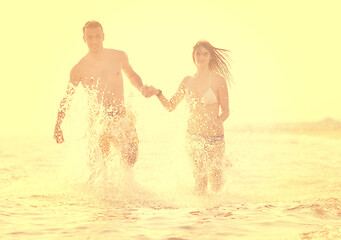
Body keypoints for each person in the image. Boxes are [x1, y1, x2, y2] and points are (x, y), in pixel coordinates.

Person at [53, 20, 152, 167]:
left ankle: (124, 187)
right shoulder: (79, 69)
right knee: (100, 165)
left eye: (97, 36)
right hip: (99, 120)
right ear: (84, 39)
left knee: (131, 158)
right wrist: (58, 125)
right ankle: (98, 186)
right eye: (90, 37)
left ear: (103, 36)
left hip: (121, 115)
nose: (94, 41)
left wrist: (141, 87)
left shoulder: (119, 56)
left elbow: (131, 75)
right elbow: (68, 98)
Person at [148, 40, 231, 194]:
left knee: (216, 185)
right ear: (193, 56)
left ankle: (217, 217)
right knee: (200, 182)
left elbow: (226, 111)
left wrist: (218, 121)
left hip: (215, 139)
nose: (201, 57)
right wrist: (158, 93)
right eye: (198, 53)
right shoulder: (187, 81)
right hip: (193, 138)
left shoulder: (219, 81)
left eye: (205, 54)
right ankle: (199, 216)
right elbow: (170, 106)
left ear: (211, 57)